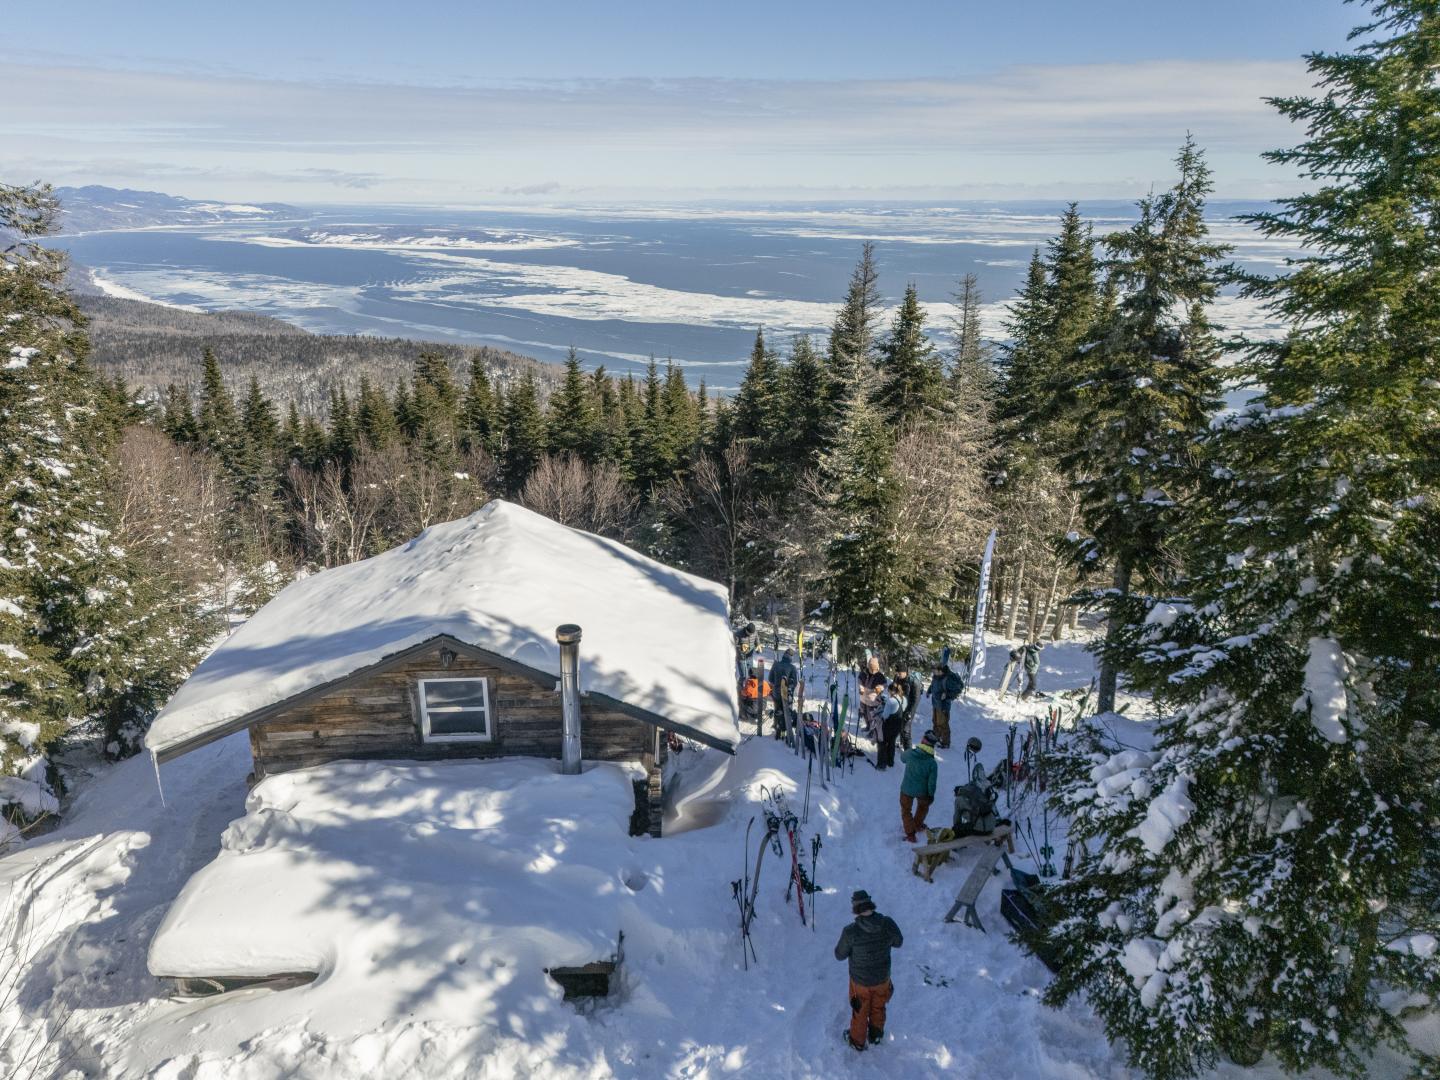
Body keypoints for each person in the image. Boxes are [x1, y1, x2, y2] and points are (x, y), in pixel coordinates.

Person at [834, 889, 903, 1051]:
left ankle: (857, 1041)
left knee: (860, 1010)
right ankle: (876, 1035)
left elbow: (839, 955)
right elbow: (898, 942)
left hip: (860, 981)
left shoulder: (850, 931)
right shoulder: (887, 923)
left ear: (855, 907)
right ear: (871, 903)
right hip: (882, 978)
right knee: (879, 1006)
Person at [898, 730, 939, 842]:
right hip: (923, 791)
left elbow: (902, 758)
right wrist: (931, 795)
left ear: (922, 741)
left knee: (906, 810)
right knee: (923, 807)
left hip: (907, 789)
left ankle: (910, 834)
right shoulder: (932, 763)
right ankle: (917, 824)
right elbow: (932, 782)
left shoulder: (911, 753)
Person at [925, 662, 963, 749]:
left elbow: (957, 690)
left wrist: (947, 695)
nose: (933, 672)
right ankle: (936, 737)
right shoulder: (936, 676)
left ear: (940, 670)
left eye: (934, 670)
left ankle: (945, 742)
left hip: (943, 706)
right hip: (935, 703)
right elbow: (933, 685)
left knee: (943, 724)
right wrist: (929, 691)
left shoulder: (948, 679)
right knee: (935, 721)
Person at [769, 648, 799, 739]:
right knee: (786, 713)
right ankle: (783, 732)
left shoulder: (776, 665)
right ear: (791, 657)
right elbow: (794, 683)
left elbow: (770, 679)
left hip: (776, 693)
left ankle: (777, 726)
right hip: (787, 695)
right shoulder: (792, 668)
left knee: (778, 710)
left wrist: (776, 685)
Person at [894, 662, 923, 751]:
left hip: (909, 707)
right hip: (900, 706)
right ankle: (901, 743)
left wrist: (910, 712)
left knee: (906, 730)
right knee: (900, 725)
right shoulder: (897, 678)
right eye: (897, 673)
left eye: (900, 673)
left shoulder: (914, 682)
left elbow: (916, 700)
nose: (898, 675)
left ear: (905, 672)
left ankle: (908, 751)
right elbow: (895, 689)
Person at [858, 656, 887, 741]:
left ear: (877, 667)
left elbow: (885, 684)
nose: (873, 670)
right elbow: (859, 680)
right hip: (864, 699)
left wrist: (881, 687)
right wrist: (861, 687)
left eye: (875, 668)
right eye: (871, 668)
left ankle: (873, 731)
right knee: (865, 715)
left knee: (872, 717)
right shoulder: (864, 673)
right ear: (869, 666)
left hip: (874, 701)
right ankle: (868, 727)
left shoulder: (880, 676)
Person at [876, 681, 904, 769]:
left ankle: (881, 764)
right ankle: (890, 761)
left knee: (882, 743)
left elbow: (885, 715)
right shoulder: (901, 698)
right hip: (898, 725)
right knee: (891, 743)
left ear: (892, 691)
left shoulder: (891, 701)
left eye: (889, 691)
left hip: (889, 725)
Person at [739, 665, 770, 730]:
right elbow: (769, 691)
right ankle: (757, 714)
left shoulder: (750, 685)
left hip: (753, 708)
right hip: (763, 706)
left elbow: (743, 695)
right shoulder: (765, 683)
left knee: (741, 699)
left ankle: (743, 715)